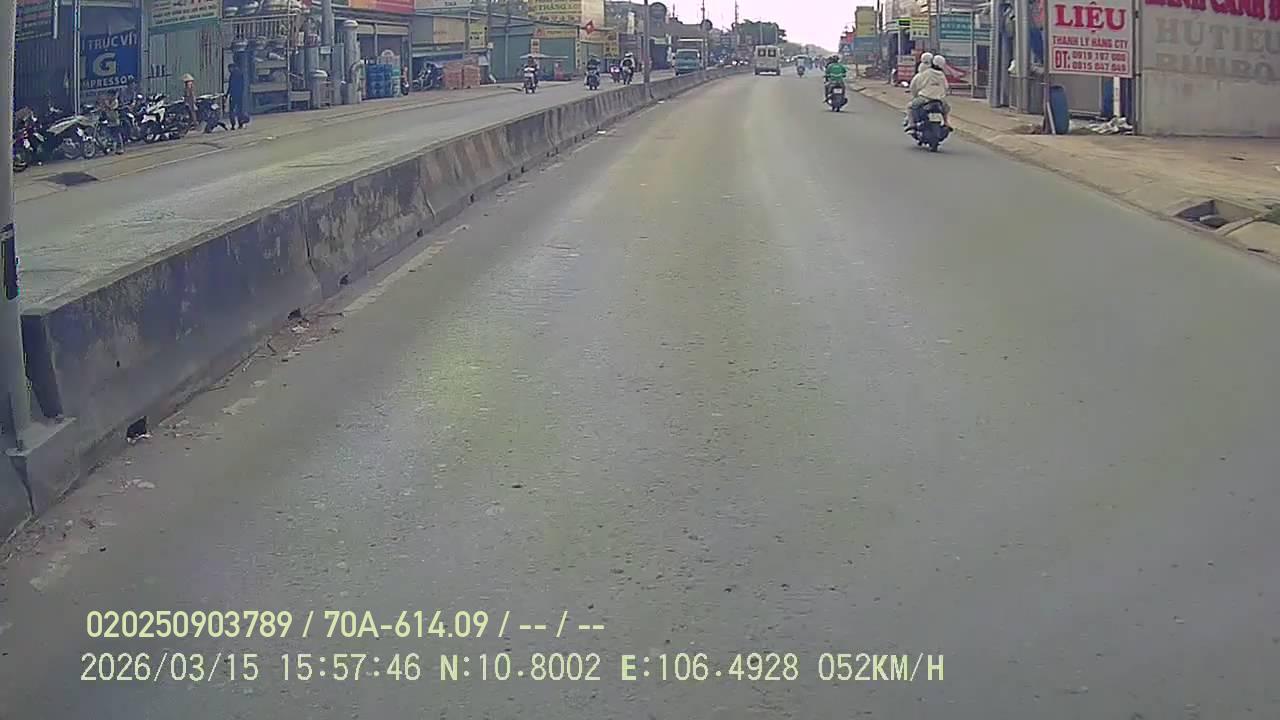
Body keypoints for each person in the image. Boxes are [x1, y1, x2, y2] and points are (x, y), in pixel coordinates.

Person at [905, 53, 950, 131]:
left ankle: (911, 124)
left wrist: (916, 95)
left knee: (910, 107)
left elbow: (914, 86)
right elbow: (946, 87)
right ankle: (946, 122)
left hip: (924, 98)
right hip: (939, 99)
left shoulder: (924, 73)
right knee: (946, 108)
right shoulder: (942, 75)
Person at [96, 90, 124, 154]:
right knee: (109, 134)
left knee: (117, 134)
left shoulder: (115, 101)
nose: (108, 96)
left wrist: (105, 104)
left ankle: (120, 148)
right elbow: (103, 109)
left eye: (110, 95)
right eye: (108, 95)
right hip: (109, 120)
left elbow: (111, 108)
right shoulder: (108, 101)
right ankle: (110, 147)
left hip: (115, 120)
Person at [226, 62, 247, 129]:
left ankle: (233, 124)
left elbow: (231, 86)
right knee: (239, 110)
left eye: (229, 68)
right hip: (239, 95)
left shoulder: (234, 75)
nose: (229, 70)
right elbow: (242, 85)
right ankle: (240, 123)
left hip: (234, 95)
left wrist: (227, 94)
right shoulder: (239, 74)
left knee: (232, 110)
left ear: (232, 68)